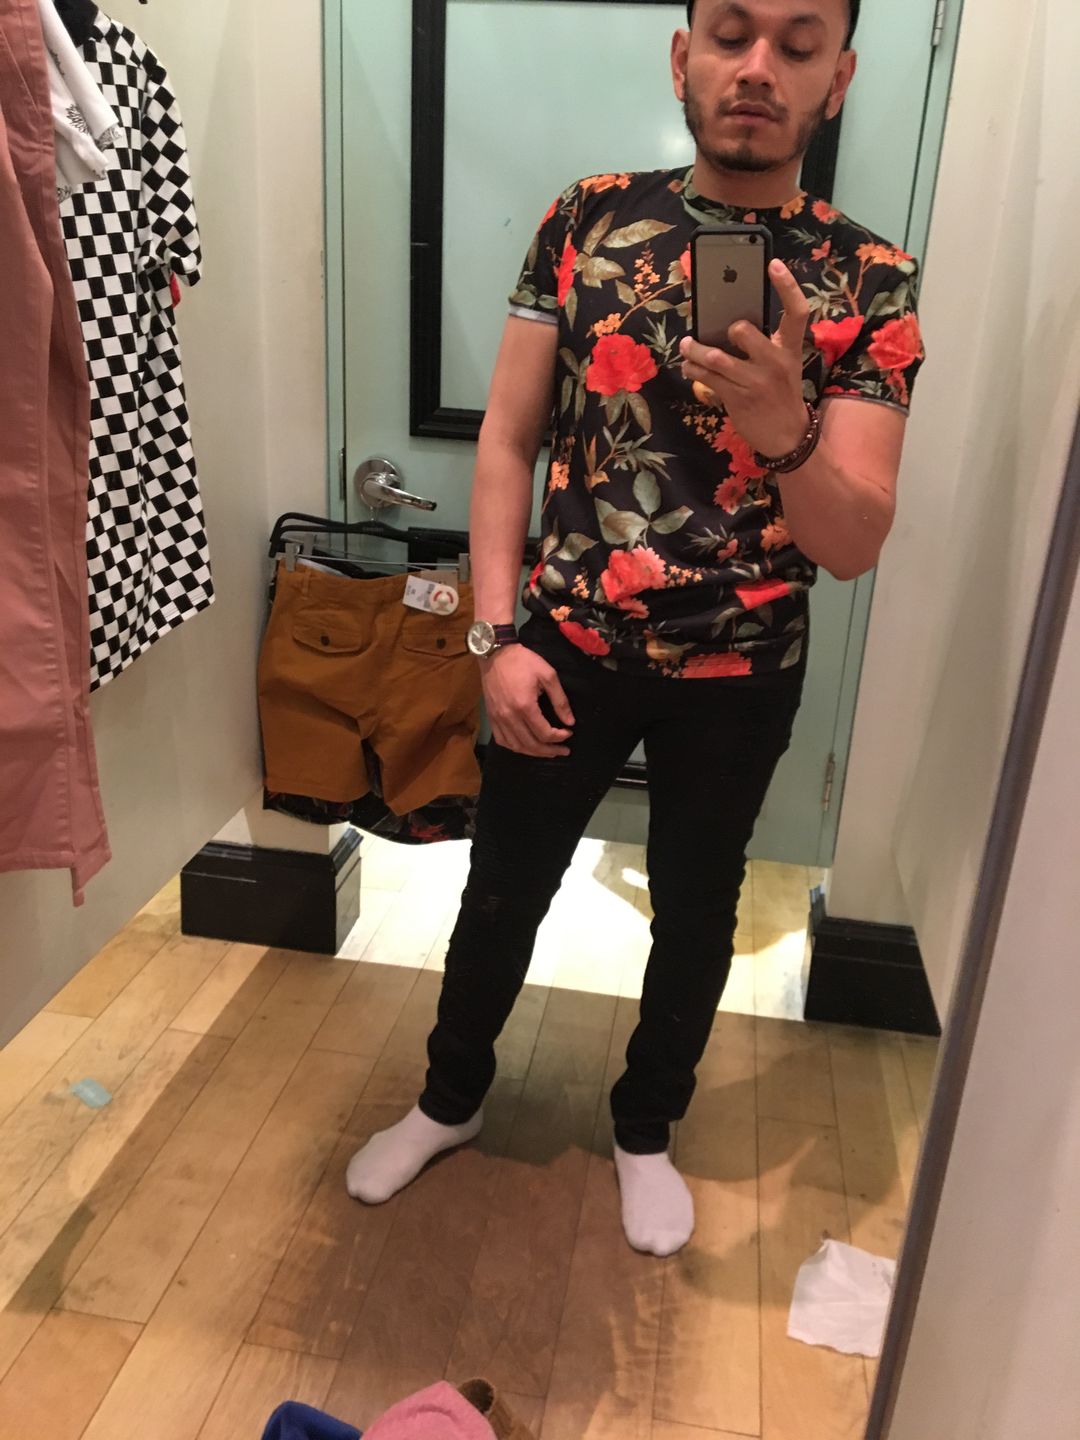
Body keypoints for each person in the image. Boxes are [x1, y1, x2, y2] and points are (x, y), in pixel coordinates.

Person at [347, 0, 925, 1257]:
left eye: (797, 45)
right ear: (682, 57)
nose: (758, 68)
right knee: (503, 889)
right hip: (565, 643)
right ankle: (448, 1099)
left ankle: (646, 1128)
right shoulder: (588, 218)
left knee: (699, 909)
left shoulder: (873, 279)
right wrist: (493, 639)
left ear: (838, 79)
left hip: (744, 666)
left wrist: (784, 428)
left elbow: (854, 542)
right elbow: (507, 442)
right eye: (731, 34)